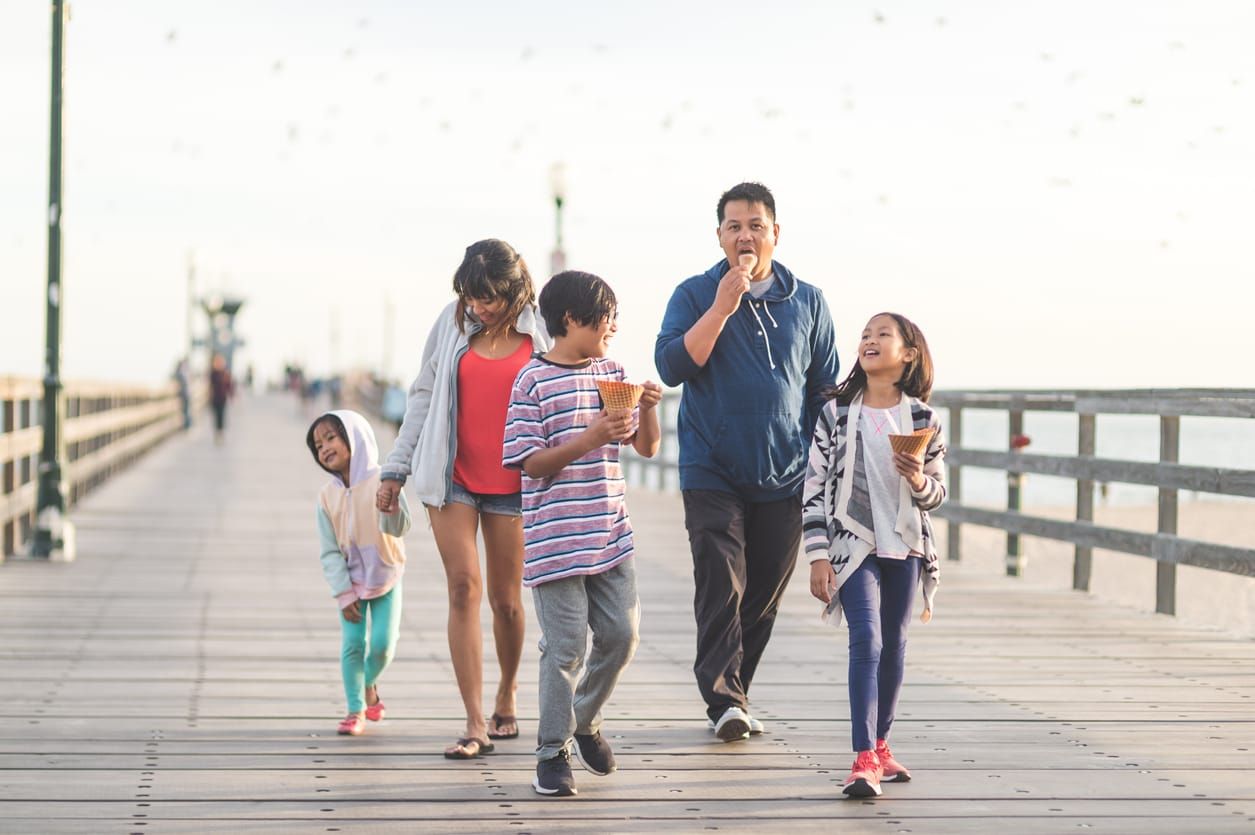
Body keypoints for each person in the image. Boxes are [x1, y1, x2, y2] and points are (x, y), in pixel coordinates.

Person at [654, 182, 839, 742]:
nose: (745, 235)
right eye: (734, 226)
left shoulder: (807, 300)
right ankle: (724, 701)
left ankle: (736, 694)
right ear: (719, 236)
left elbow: (824, 391)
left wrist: (823, 465)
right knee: (721, 583)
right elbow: (670, 367)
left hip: (786, 474)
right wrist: (721, 307)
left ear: (775, 233)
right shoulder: (694, 293)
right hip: (712, 468)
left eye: (755, 225)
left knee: (760, 596)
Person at [376, 239, 551, 759]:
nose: (477, 307)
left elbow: (567, 387)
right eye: (471, 297)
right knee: (462, 587)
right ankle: (474, 721)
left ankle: (506, 691)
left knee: (506, 601)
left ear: (514, 291)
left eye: (488, 298)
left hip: (514, 482)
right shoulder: (450, 325)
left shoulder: (540, 330)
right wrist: (395, 468)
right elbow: (424, 396)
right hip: (450, 477)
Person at [502, 270, 661, 797]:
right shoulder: (532, 380)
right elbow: (530, 464)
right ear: (570, 319)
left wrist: (647, 412)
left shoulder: (612, 372)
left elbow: (646, 449)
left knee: (623, 636)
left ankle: (584, 720)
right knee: (566, 647)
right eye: (605, 315)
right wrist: (591, 436)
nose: (613, 324)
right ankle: (551, 753)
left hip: (611, 532)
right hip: (556, 539)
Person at [801, 312, 945, 798]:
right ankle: (862, 757)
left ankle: (882, 744)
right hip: (852, 539)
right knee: (867, 638)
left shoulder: (923, 419)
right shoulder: (837, 414)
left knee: (896, 643)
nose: (870, 340)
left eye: (883, 334)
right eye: (865, 334)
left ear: (908, 355)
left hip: (904, 542)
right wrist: (818, 554)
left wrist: (917, 478)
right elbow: (815, 486)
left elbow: (939, 496)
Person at [307, 410, 411, 737]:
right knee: (353, 644)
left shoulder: (383, 479)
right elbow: (328, 550)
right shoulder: (327, 497)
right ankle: (355, 709)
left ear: (353, 438)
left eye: (330, 438)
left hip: (386, 574)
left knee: (382, 645)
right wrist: (343, 591)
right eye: (317, 445)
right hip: (350, 580)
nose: (324, 448)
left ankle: (368, 684)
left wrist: (391, 508)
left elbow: (401, 526)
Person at [208, 354, 232, 444]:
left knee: (221, 416)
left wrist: (232, 396)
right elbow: (210, 386)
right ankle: (217, 434)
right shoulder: (213, 373)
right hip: (214, 399)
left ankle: (220, 434)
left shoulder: (225, 373)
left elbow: (229, 386)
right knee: (216, 417)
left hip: (222, 399)